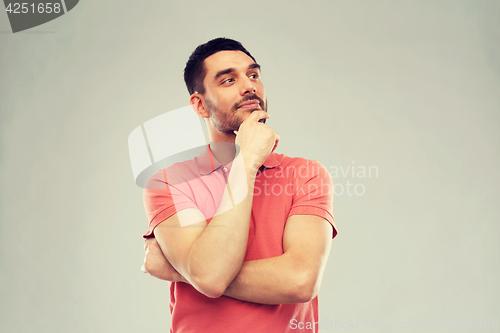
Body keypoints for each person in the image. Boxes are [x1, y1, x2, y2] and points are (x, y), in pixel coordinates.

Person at [141, 37, 337, 333]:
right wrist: (246, 162)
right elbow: (209, 276)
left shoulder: (306, 174)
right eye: (228, 80)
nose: (249, 86)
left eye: (253, 74)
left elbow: (300, 280)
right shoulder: (168, 182)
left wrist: (183, 272)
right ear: (200, 105)